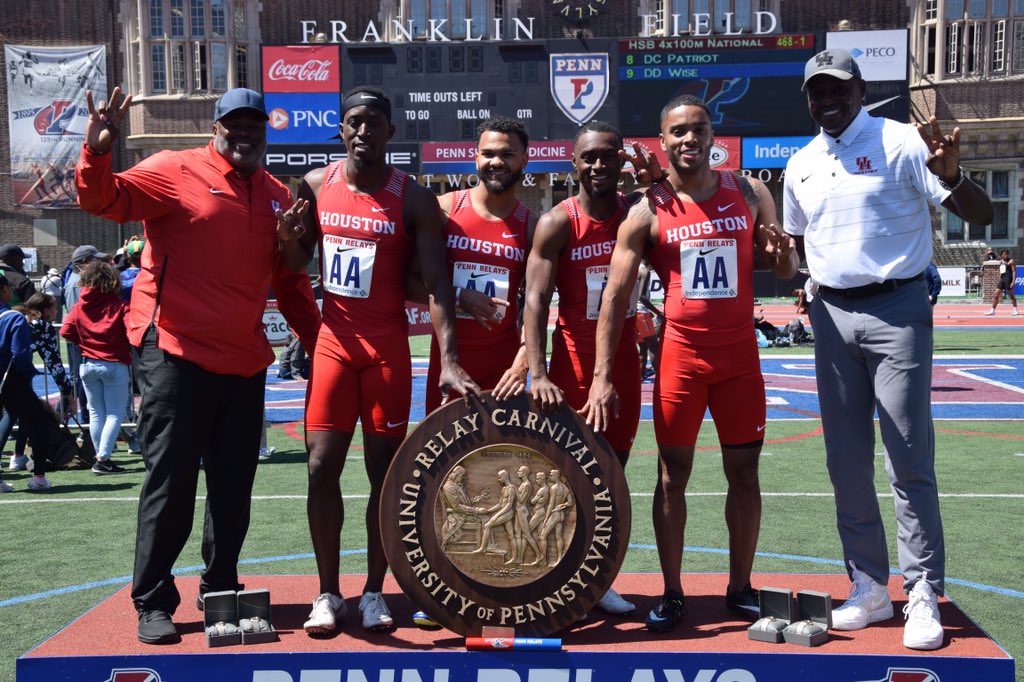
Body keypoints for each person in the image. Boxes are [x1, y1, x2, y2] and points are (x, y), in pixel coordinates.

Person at [76, 86, 321, 645]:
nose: (245, 134)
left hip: (242, 360)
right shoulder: (172, 168)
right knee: (172, 484)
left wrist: (317, 344)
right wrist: (97, 152)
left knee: (234, 490)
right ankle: (154, 599)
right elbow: (102, 201)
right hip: (174, 353)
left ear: (265, 132)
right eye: (234, 124)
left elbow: (290, 281)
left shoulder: (278, 197)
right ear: (214, 127)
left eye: (254, 125)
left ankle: (220, 588)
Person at [783, 48, 994, 651]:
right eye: (816, 92)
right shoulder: (800, 163)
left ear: (859, 89)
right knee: (845, 462)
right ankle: (870, 585)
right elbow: (799, 246)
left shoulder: (901, 140)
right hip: (830, 314)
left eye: (836, 90)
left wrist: (953, 175)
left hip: (897, 308)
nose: (826, 100)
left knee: (906, 455)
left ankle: (922, 590)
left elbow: (977, 215)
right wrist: (792, 269)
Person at [582, 94, 798, 633]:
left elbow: (788, 268)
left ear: (712, 137)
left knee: (743, 472)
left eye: (698, 129)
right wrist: (604, 372)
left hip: (739, 361)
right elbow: (614, 295)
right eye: (677, 132)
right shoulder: (647, 208)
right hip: (681, 359)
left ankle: (740, 587)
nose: (688, 140)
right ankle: (673, 592)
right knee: (671, 476)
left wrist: (782, 254)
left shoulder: (749, 192)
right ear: (663, 140)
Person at [275, 85, 477, 635]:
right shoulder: (315, 186)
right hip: (334, 347)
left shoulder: (412, 198)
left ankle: (372, 591)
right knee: (320, 469)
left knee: (385, 477)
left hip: (387, 348)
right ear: (342, 129)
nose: (364, 130)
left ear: (391, 131)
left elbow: (437, 283)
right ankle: (326, 592)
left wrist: (451, 359)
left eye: (375, 122)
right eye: (354, 121)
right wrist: (290, 243)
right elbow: (293, 262)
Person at [523, 120, 663, 616]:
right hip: (570, 368)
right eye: (590, 157)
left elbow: (689, 212)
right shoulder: (558, 222)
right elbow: (536, 299)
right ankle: (553, 576)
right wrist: (536, 373)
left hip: (623, 364)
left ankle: (597, 579)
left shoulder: (639, 214)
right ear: (574, 164)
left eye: (609, 155)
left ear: (622, 160)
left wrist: (657, 179)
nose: (599, 165)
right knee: (561, 479)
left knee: (612, 476)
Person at [420, 116, 536, 411]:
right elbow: (406, 280)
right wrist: (459, 296)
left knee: (501, 456)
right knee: (446, 455)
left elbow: (538, 300)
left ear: (524, 158)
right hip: (449, 361)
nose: (497, 162)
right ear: (475, 158)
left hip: (503, 370)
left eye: (507, 154)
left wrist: (525, 356)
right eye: (488, 154)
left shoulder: (531, 226)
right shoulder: (444, 210)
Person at [60, 260, 131, 474]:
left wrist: (83, 340)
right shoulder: (119, 305)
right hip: (113, 363)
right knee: (114, 413)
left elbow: (65, 330)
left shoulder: (79, 305)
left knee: (96, 413)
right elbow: (132, 332)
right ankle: (103, 458)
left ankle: (100, 457)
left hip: (87, 364)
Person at [1, 293, 76, 472]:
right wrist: (67, 391)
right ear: (45, 310)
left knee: (15, 414)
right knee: (37, 418)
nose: (57, 310)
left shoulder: (12, 317)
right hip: (15, 377)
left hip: (4, 375)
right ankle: (36, 473)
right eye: (54, 307)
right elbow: (53, 362)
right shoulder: (41, 328)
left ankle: (19, 455)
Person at [64, 244, 108, 423]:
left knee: (80, 380)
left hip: (81, 338)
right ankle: (85, 419)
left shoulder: (77, 280)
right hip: (83, 339)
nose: (99, 263)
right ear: (83, 262)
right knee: (80, 382)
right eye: (94, 259)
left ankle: (86, 419)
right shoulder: (79, 283)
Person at [985, 249, 1017, 316]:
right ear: (1001, 255)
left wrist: (1013, 282)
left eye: (1006, 254)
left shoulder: (1011, 261)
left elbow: (1014, 272)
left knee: (1011, 295)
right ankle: (992, 310)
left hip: (1008, 279)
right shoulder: (1001, 261)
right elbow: (994, 258)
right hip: (1002, 279)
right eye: (1004, 254)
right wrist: (990, 252)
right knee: (996, 294)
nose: (1005, 255)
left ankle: (1015, 309)